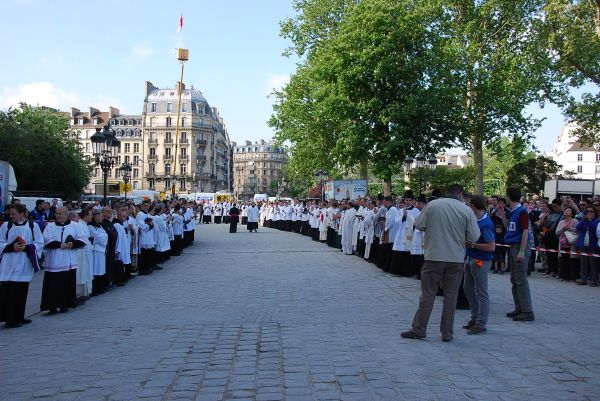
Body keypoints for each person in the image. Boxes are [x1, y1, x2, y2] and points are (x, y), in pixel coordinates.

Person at [401, 184, 480, 342]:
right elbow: (474, 236)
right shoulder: (466, 210)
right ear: (460, 194)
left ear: (447, 193)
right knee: (451, 296)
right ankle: (447, 333)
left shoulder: (433, 205)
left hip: (434, 256)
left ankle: (419, 329)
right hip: (455, 259)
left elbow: (419, 224)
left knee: (428, 294)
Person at [0, 204, 44, 328]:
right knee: (9, 290)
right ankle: (9, 319)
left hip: (24, 262)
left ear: (22, 213)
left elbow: (39, 243)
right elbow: (0, 242)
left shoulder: (32, 226)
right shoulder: (6, 226)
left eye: (14, 214)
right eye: (11, 214)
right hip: (9, 262)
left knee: (21, 290)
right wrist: (11, 247)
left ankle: (19, 316)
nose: (11, 216)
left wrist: (27, 247)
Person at [40, 207, 86, 314]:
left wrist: (72, 244)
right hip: (53, 261)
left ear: (66, 215)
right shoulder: (50, 226)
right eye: (57, 213)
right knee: (53, 286)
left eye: (61, 213)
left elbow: (82, 239)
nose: (58, 215)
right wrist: (60, 245)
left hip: (68, 261)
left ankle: (65, 305)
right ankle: (52, 307)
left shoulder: (75, 226)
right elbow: (46, 240)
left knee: (66, 284)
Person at [463, 195, 495, 335]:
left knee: (482, 292)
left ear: (474, 206)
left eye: (470, 205)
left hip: (481, 260)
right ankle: (475, 318)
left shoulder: (486, 223)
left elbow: (491, 246)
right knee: (468, 288)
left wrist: (473, 245)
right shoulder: (474, 219)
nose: (469, 207)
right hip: (471, 257)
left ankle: (481, 322)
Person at [502, 187, 535, 322]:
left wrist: (522, 251)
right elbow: (509, 227)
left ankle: (527, 311)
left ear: (509, 196)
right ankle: (519, 308)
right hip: (513, 245)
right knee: (514, 280)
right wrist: (502, 215)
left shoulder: (521, 211)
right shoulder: (515, 211)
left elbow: (525, 231)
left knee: (520, 279)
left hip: (520, 246)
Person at [577, 206, 599, 286]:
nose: (589, 213)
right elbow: (578, 227)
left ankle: (594, 281)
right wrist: (583, 219)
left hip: (593, 245)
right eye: (587, 211)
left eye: (591, 211)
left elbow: (595, 229)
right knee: (583, 263)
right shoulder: (584, 221)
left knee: (593, 264)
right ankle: (583, 279)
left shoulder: (597, 221)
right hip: (583, 244)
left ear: (595, 213)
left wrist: (589, 220)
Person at [89, 210, 108, 295]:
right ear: (94, 217)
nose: (101, 217)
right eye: (99, 216)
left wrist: (103, 236)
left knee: (101, 269)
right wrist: (103, 236)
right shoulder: (90, 227)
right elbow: (98, 238)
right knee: (95, 269)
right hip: (95, 251)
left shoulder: (100, 226)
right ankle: (95, 289)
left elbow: (105, 236)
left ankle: (101, 287)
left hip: (101, 250)